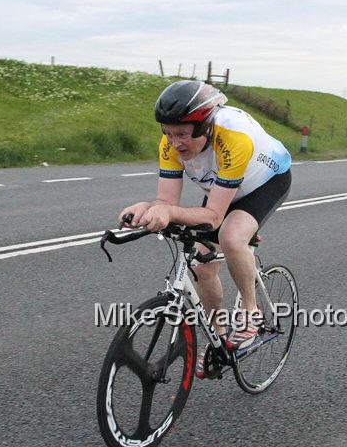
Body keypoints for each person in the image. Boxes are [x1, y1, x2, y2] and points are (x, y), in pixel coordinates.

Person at [118, 80, 293, 379]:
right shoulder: (171, 142)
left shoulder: (234, 138)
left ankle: (251, 314)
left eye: (183, 134)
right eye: (168, 133)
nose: (175, 143)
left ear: (205, 127)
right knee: (203, 264)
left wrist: (169, 212)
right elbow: (166, 201)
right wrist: (147, 207)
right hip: (222, 184)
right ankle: (220, 337)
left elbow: (213, 217)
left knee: (230, 235)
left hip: (265, 182)